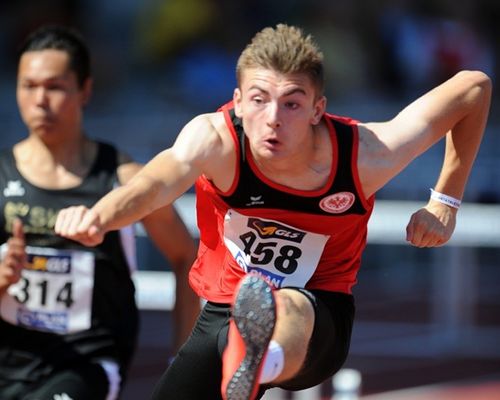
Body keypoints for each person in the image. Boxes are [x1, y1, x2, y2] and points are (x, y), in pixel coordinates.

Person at [55, 24, 492, 400]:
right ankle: (249, 352)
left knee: (287, 303)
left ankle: (261, 358)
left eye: (292, 104)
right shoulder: (215, 140)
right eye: (260, 100)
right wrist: (99, 216)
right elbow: (152, 185)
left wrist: (445, 202)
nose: (273, 119)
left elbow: (473, 87)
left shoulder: (363, 156)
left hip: (318, 316)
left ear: (318, 110)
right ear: (238, 101)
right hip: (228, 309)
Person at [0, 25, 199, 400]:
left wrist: (181, 365)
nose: (40, 100)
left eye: (55, 86)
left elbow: (185, 255)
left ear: (85, 90)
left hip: (88, 366)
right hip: (9, 362)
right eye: (28, 86)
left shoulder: (122, 178)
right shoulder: (1, 176)